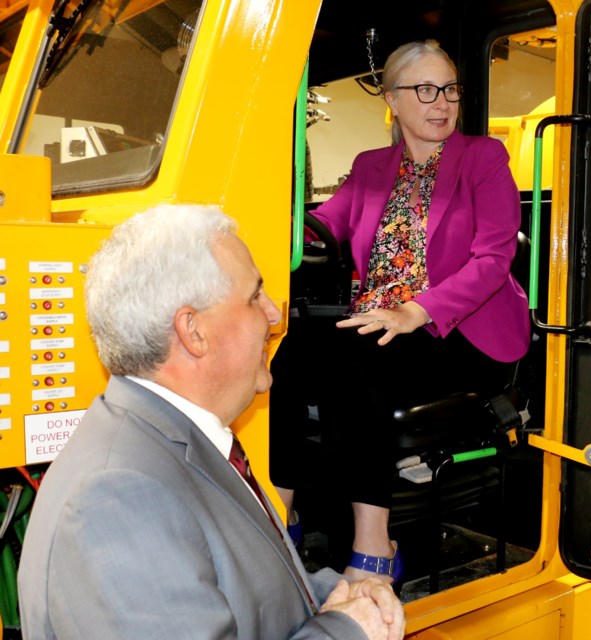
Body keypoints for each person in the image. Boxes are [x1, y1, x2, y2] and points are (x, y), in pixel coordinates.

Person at [17, 204, 405, 640]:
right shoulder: (118, 498)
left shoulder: (177, 439)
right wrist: (347, 631)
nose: (274, 316)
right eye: (254, 296)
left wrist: (342, 594)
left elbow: (239, 592)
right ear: (193, 331)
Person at [269, 39, 530, 584]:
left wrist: (417, 310)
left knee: (359, 360)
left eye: (450, 89)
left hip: (462, 331)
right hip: (385, 324)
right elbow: (321, 226)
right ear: (392, 99)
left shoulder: (483, 159)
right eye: (425, 90)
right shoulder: (370, 168)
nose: (442, 102)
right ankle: (278, 514)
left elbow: (493, 257)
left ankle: (372, 547)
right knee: (289, 351)